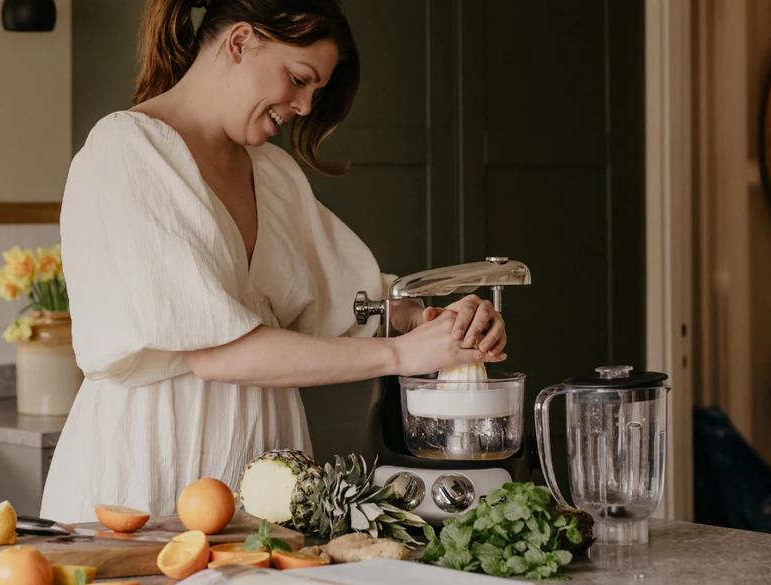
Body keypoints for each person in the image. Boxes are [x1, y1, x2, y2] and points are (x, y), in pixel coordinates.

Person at [40, 0, 508, 523]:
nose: (306, 107)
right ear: (240, 41)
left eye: (316, 91)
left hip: (270, 470)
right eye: (299, 79)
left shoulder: (272, 173)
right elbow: (216, 351)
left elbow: (360, 302)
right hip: (149, 464)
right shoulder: (127, 151)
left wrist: (438, 320)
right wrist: (404, 356)